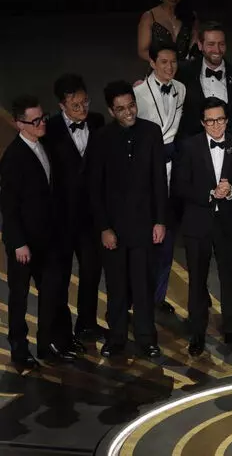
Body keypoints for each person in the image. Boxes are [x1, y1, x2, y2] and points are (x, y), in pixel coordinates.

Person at [87, 80, 167, 359]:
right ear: (111, 111)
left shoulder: (151, 132)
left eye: (131, 105)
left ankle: (147, 338)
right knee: (117, 286)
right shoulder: (101, 138)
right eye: (120, 109)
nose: (128, 112)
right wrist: (104, 227)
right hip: (115, 229)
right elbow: (94, 188)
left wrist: (160, 220)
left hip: (144, 226)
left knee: (143, 285)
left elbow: (159, 180)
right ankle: (117, 337)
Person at [172, 97, 232, 357]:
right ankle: (197, 333)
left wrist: (230, 191)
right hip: (197, 223)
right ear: (202, 122)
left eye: (220, 120)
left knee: (229, 278)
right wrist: (209, 193)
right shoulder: (189, 147)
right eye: (210, 121)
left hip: (227, 223)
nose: (216, 125)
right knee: (197, 279)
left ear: (227, 120)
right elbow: (179, 185)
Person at [1, 96, 72, 368]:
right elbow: (8, 206)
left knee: (51, 294)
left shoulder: (44, 146)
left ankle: (46, 346)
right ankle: (20, 352)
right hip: (24, 244)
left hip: (48, 240)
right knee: (19, 299)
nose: (42, 123)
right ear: (19, 124)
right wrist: (19, 243)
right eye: (35, 121)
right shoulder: (13, 158)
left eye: (43, 117)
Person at [42, 74, 107, 342]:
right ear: (62, 105)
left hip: (91, 217)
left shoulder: (98, 122)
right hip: (62, 219)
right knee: (61, 277)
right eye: (75, 105)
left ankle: (87, 325)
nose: (83, 109)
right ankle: (62, 332)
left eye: (85, 102)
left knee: (91, 272)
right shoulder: (49, 130)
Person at [134, 41, 186, 314]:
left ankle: (157, 296)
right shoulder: (137, 93)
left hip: (173, 173)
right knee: (145, 239)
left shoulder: (181, 89)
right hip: (146, 175)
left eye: (173, 62)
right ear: (152, 63)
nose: (169, 67)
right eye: (163, 62)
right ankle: (139, 298)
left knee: (168, 238)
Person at [178, 21, 232, 155]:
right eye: (211, 44)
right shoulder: (183, 73)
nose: (217, 50)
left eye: (221, 44)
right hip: (194, 154)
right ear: (200, 45)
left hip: (230, 153)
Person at [137, 0, 198, 64]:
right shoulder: (149, 17)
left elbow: (194, 45)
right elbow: (142, 51)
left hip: (186, 68)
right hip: (160, 69)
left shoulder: (191, 15)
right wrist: (163, 63)